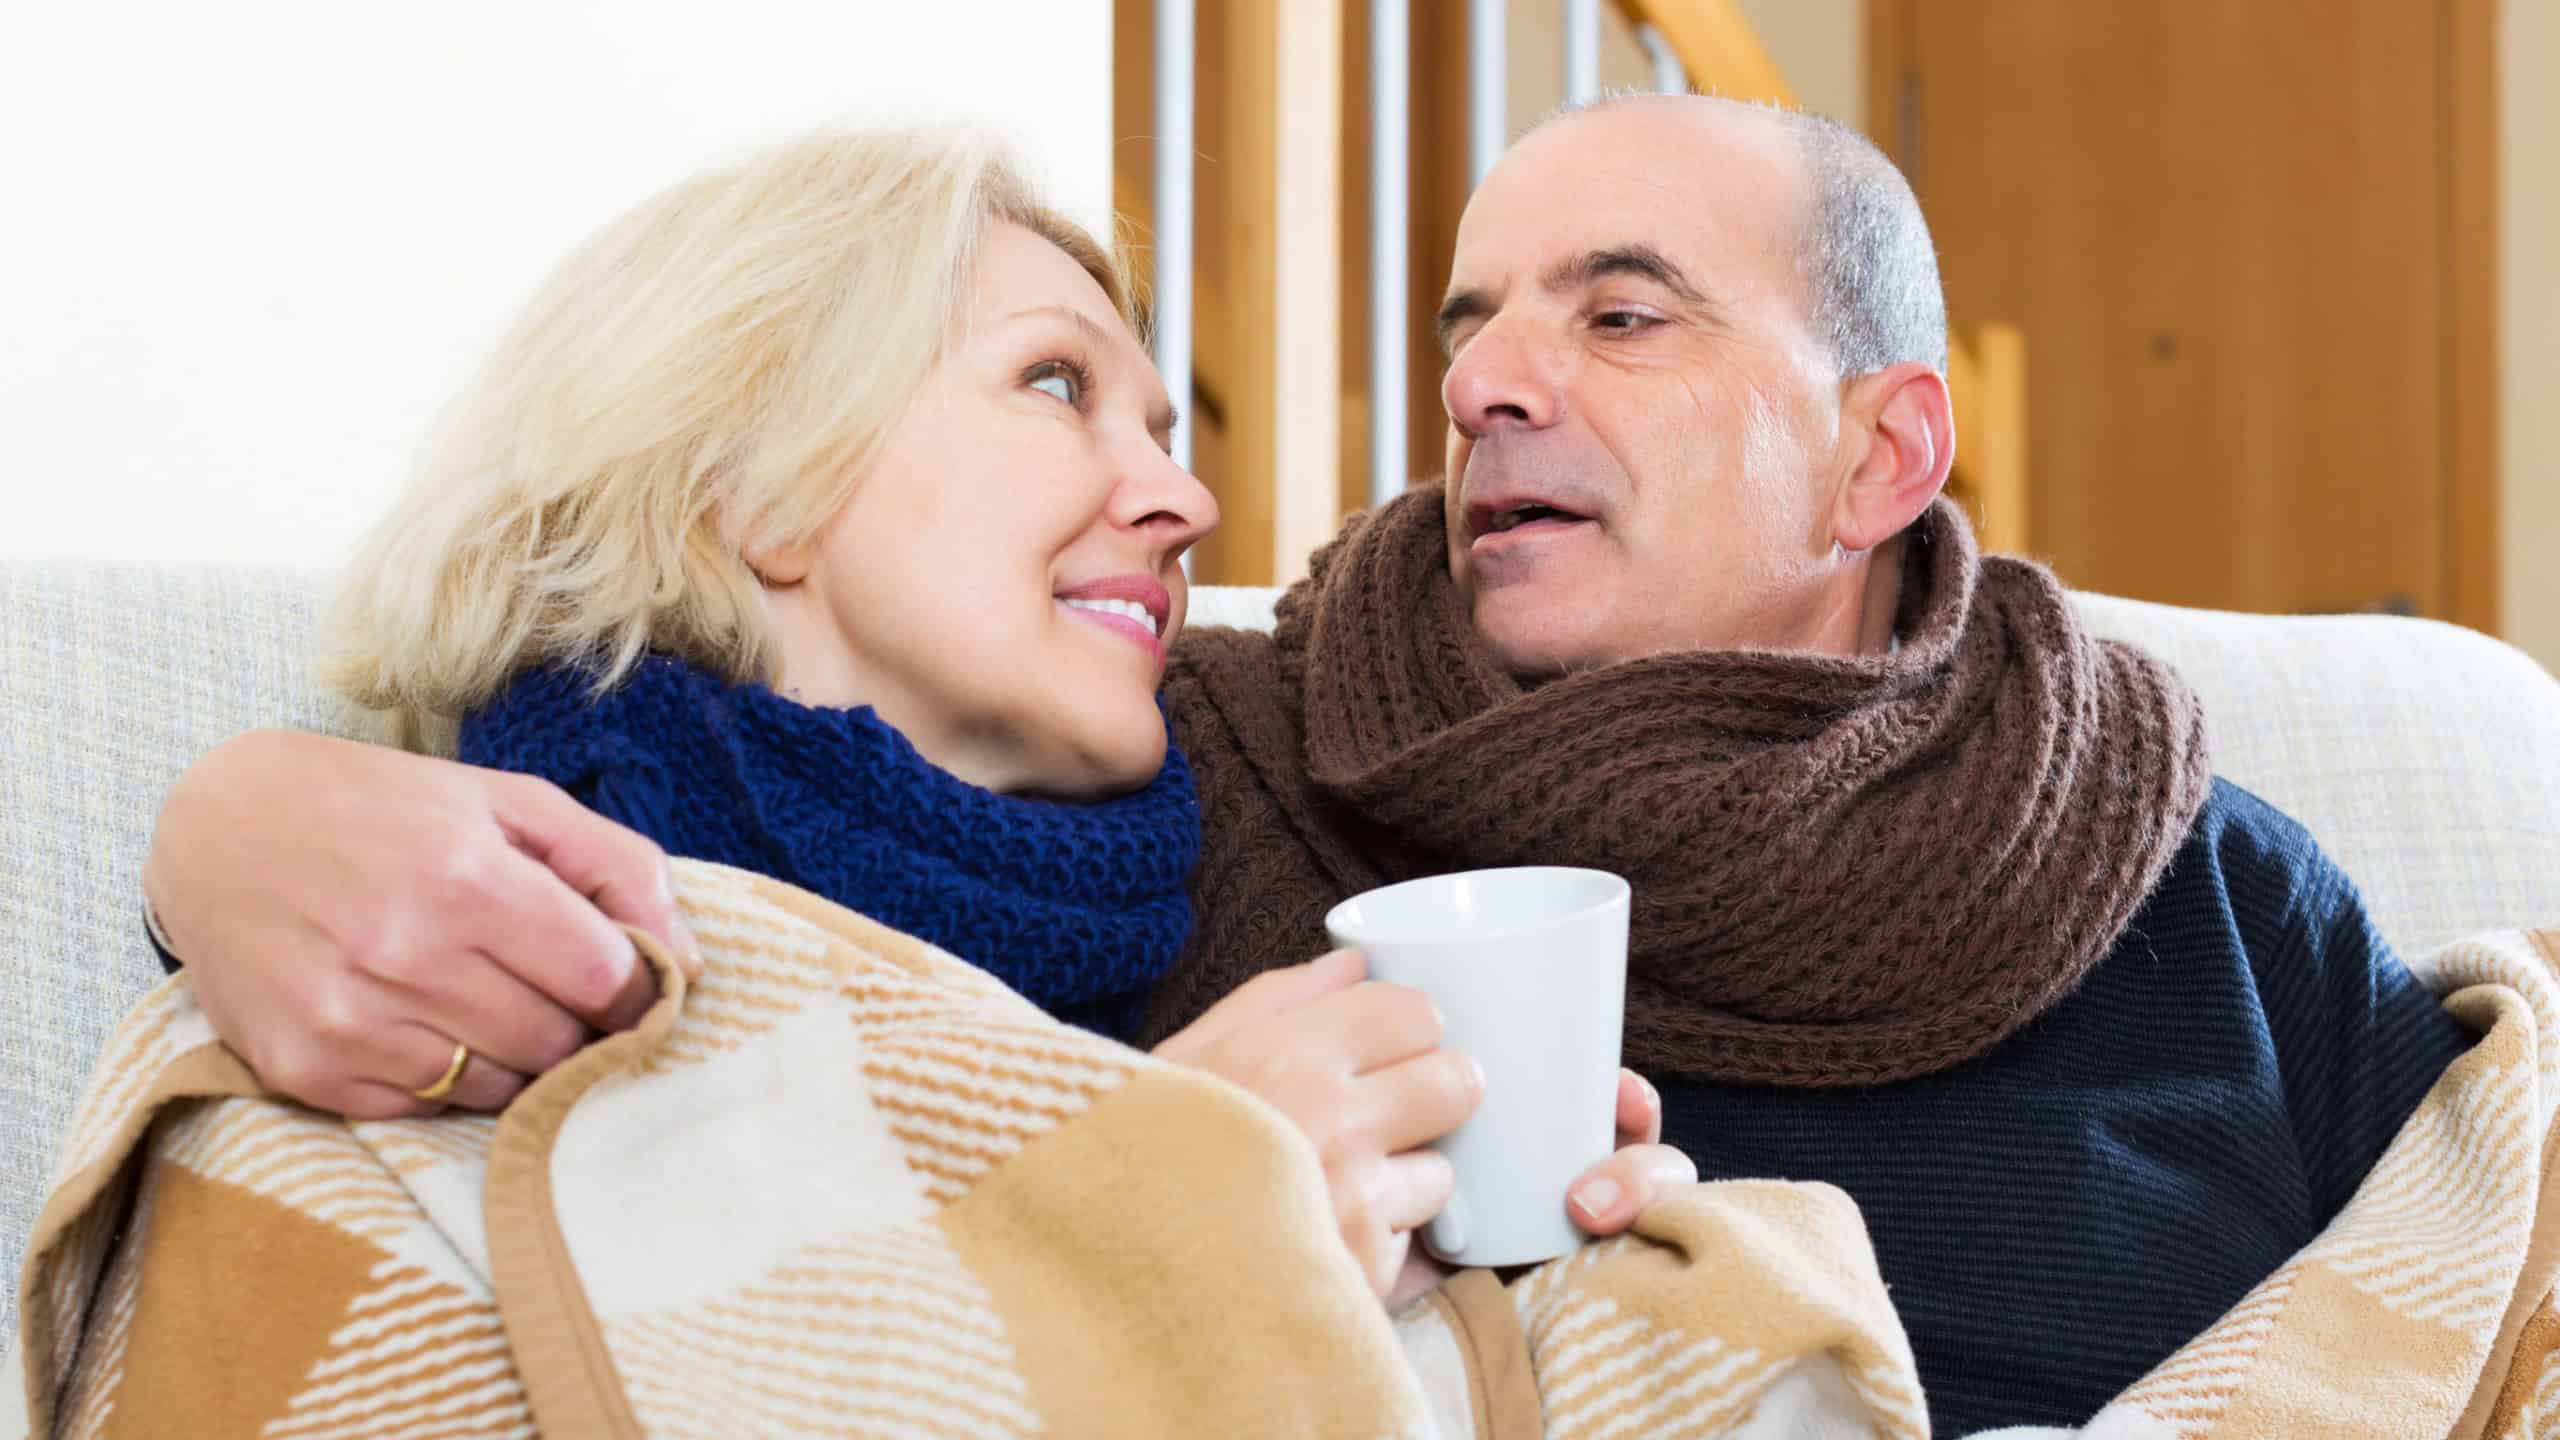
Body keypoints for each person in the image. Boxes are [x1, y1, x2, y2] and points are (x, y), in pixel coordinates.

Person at [139, 96, 2473, 1430]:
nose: (1480, 384)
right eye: (1469, 324)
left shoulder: (2199, 876)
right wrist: (239, 817)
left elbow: (2480, 1277)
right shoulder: (1230, 771)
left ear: (1879, 455)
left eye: (1618, 311)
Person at [129, 123, 1688, 1311]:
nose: (1183, 496)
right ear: (758, 484)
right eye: (1057, 385)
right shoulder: (423, 951)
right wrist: (1135, 1205)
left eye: (1161, 426)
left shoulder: (1185, 927)